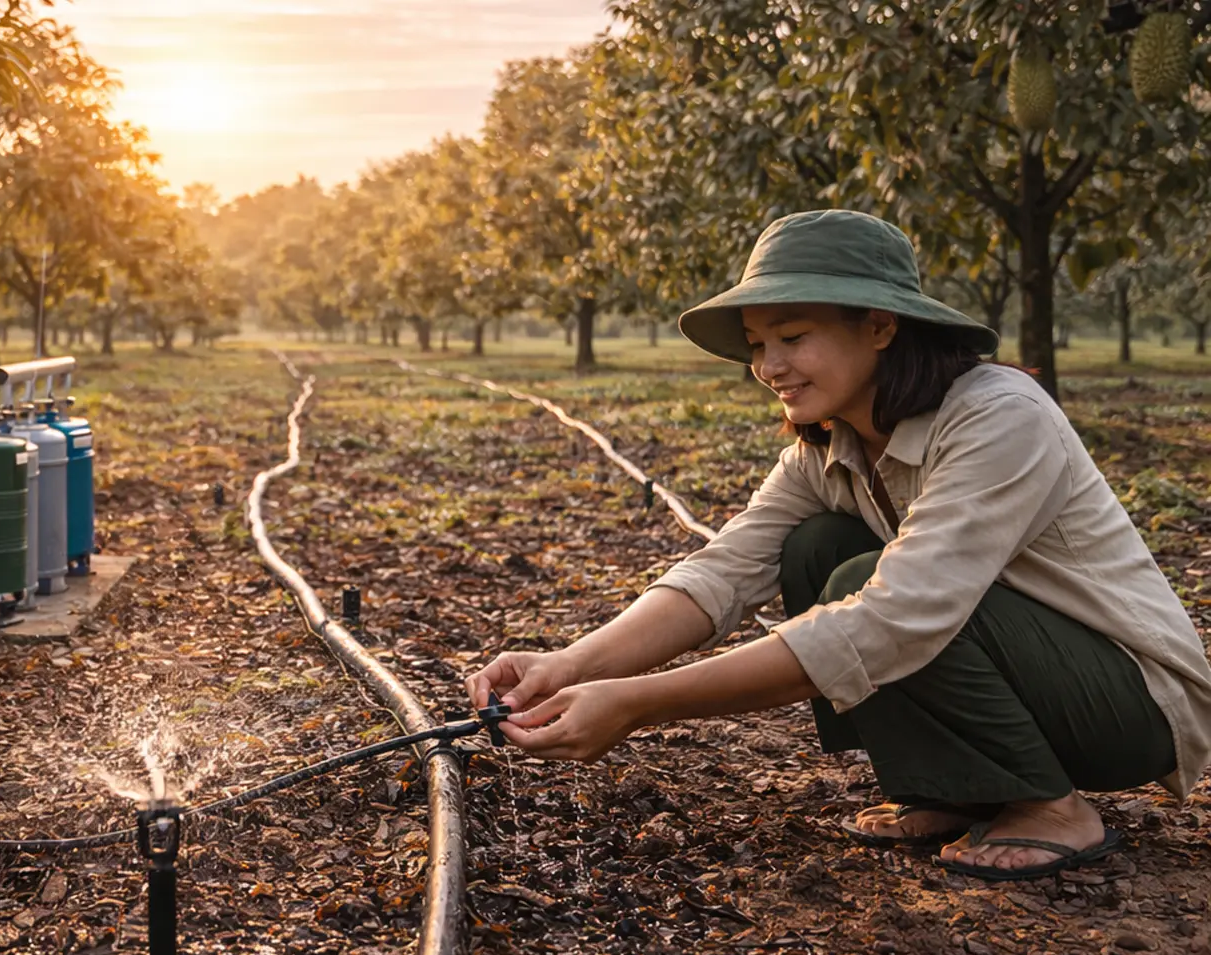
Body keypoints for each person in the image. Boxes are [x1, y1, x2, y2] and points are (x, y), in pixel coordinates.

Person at [465, 209, 1211, 882]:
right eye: (759, 344)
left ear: (881, 325)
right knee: (816, 545)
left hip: (1129, 705)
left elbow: (898, 615)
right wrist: (569, 664)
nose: (770, 367)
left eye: (794, 337)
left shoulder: (999, 417)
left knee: (866, 579)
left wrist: (636, 705)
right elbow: (723, 571)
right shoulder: (831, 449)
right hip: (1034, 678)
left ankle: (1053, 809)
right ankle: (951, 787)